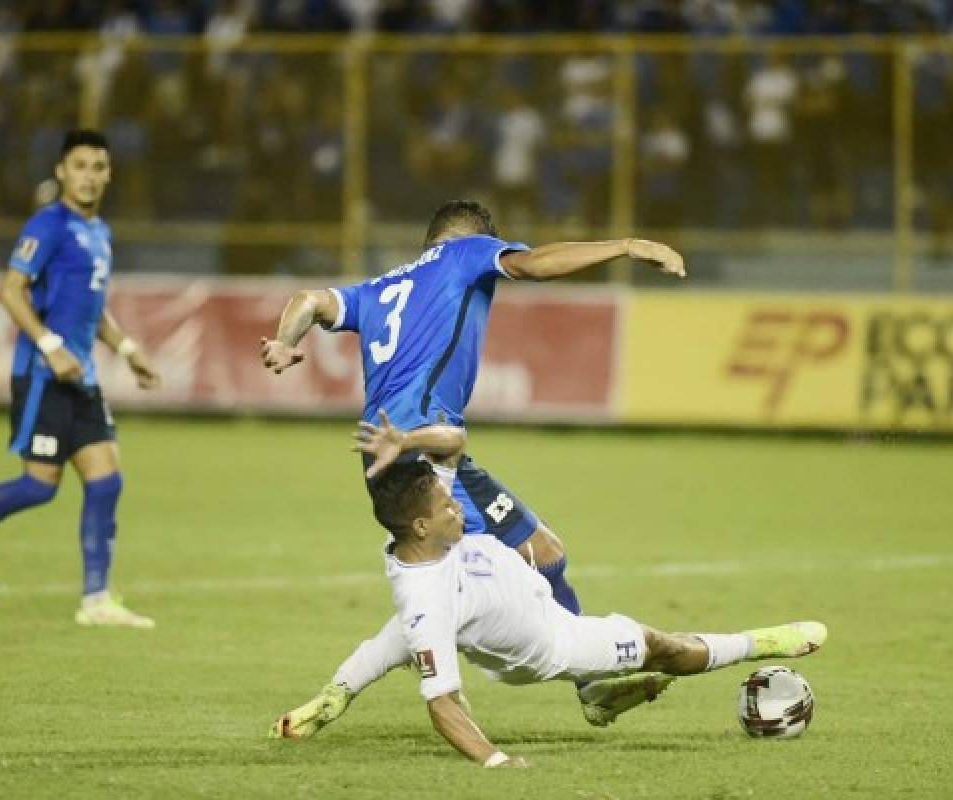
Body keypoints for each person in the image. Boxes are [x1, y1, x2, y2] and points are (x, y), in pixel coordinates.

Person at [260, 201, 686, 733]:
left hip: (401, 449)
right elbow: (533, 265)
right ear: (478, 240)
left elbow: (308, 300)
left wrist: (284, 340)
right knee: (469, 579)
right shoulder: (465, 253)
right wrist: (626, 246)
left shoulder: (376, 290)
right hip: (422, 449)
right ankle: (388, 692)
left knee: (541, 557)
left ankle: (588, 684)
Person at [278, 416, 828, 767]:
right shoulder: (426, 600)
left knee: (395, 640)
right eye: (446, 509)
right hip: (552, 643)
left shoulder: (423, 545)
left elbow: (453, 444)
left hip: (508, 600)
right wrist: (494, 761)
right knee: (662, 646)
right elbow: (441, 702)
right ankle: (761, 643)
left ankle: (333, 696)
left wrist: (406, 441)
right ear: (420, 527)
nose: (456, 509)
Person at [0, 129, 160, 629]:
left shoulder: (100, 234)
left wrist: (127, 349)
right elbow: (10, 290)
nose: (89, 176)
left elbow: (94, 308)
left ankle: (96, 600)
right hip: (43, 376)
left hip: (80, 378)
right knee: (40, 486)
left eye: (99, 167)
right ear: (62, 172)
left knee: (106, 480)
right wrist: (50, 345)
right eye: (80, 166)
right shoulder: (48, 225)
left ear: (109, 174)